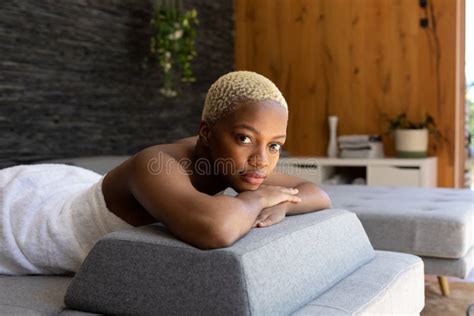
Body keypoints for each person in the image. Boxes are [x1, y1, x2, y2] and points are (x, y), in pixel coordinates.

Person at [0, 71, 331, 275]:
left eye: (275, 145)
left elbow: (316, 192)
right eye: (244, 138)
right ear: (206, 132)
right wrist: (259, 198)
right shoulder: (153, 164)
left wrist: (283, 204)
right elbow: (217, 229)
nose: (262, 159)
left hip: (74, 186)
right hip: (26, 216)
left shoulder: (240, 164)